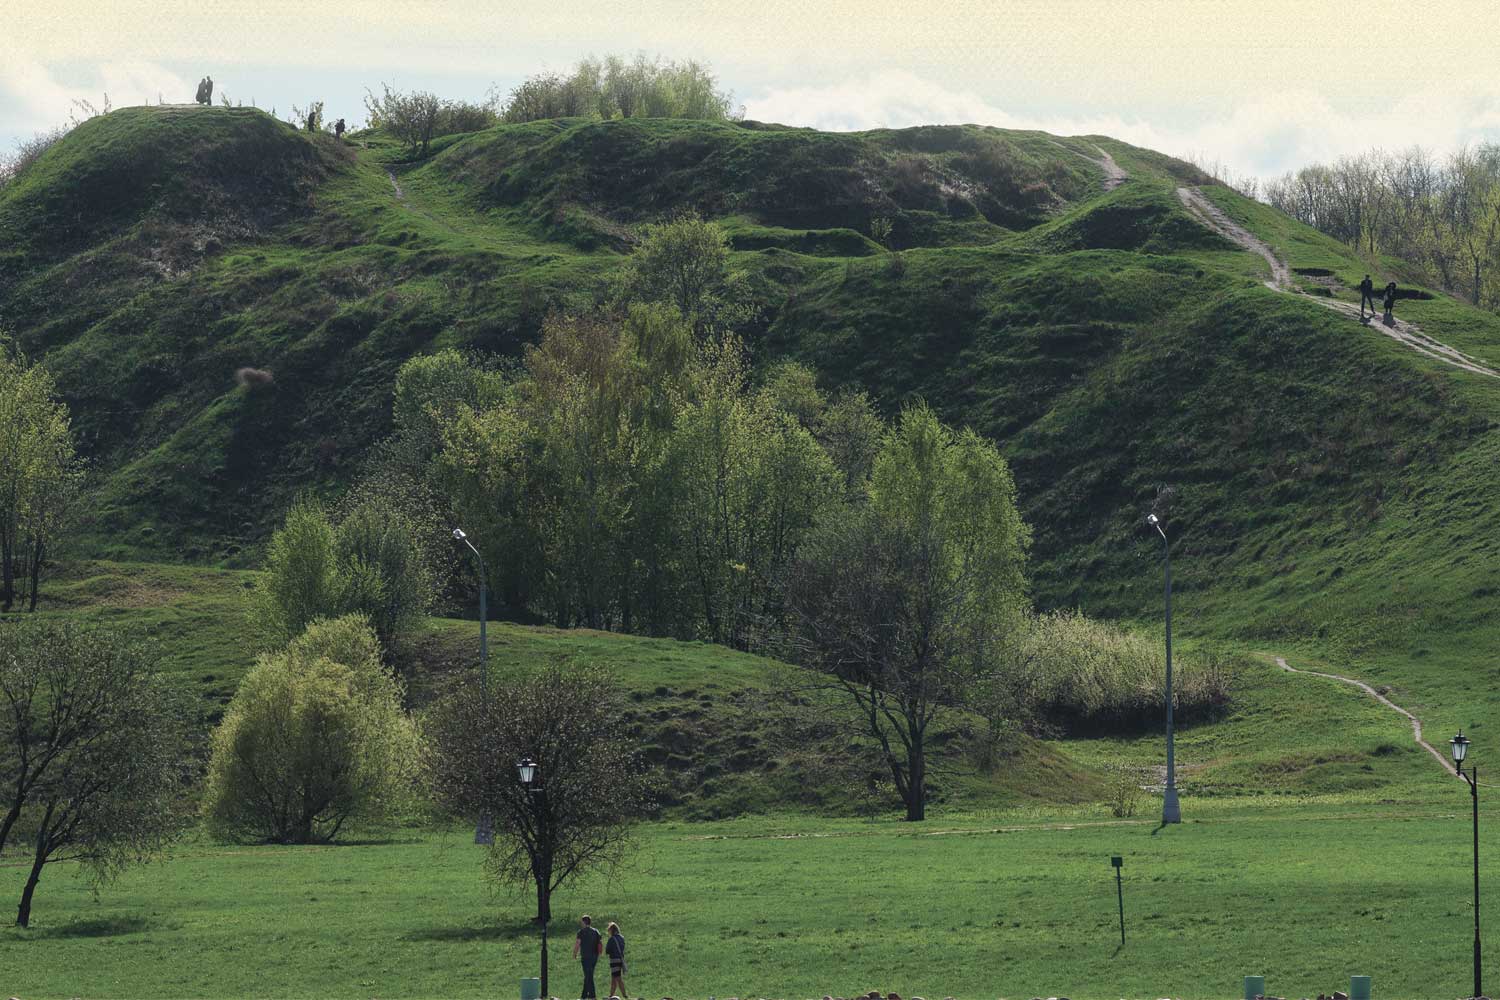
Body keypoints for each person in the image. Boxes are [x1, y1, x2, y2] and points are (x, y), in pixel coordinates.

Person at [574, 913, 603, 999]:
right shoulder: (596, 931)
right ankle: (584, 996)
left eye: (581, 922)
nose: (580, 923)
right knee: (588, 975)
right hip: (594, 957)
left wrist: (575, 953)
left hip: (586, 957)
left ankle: (592, 996)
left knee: (588, 976)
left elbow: (577, 944)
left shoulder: (581, 932)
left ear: (584, 922)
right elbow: (600, 943)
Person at [605, 921, 627, 998]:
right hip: (620, 959)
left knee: (617, 978)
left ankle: (625, 995)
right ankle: (611, 995)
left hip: (614, 960)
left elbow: (607, 950)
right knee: (614, 978)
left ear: (611, 930)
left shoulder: (611, 939)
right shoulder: (622, 938)